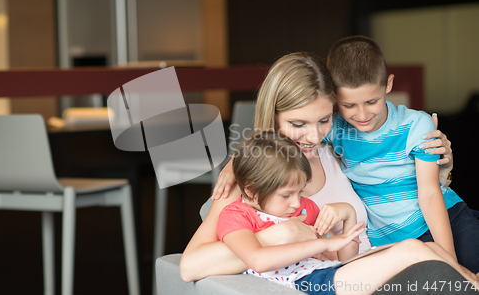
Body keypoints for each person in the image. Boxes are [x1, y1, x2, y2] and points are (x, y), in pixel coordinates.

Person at [180, 52, 454, 284]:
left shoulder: (334, 150)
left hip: (382, 264)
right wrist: (277, 235)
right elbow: (190, 266)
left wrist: (441, 171)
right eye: (298, 124)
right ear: (272, 114)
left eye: (323, 120)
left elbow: (392, 189)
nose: (314, 137)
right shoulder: (247, 181)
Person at [217, 130, 477, 295]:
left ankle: (471, 282)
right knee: (413, 252)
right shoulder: (237, 214)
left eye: (300, 191)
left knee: (421, 247)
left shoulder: (304, 209)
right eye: (287, 196)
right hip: (308, 282)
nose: (298, 203)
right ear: (251, 192)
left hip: (332, 270)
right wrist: (322, 243)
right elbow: (257, 261)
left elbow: (338, 256)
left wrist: (345, 226)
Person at [324, 35, 479, 273]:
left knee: (469, 266)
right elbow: (291, 136)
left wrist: (449, 262)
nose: (362, 114)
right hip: (392, 239)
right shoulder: (333, 129)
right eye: (349, 105)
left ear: (388, 84)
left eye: (371, 101)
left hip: (445, 219)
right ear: (334, 97)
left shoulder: (417, 125)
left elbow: (429, 194)